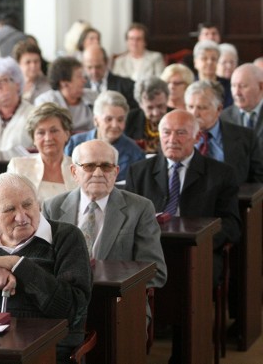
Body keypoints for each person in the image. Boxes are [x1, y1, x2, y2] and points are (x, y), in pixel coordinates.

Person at [0, 173, 92, 364]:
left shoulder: (66, 237)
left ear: (38, 204)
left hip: (46, 350)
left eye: (28, 205)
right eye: (10, 209)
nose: (21, 217)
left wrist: (17, 265)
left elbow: (72, 309)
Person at [126, 110, 240, 288]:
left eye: (181, 133)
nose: (172, 139)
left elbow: (231, 224)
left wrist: (200, 241)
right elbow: (128, 221)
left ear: (197, 137)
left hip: (199, 251)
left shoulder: (222, 174)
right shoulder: (139, 172)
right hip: (149, 252)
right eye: (166, 132)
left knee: (194, 278)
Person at [43, 139, 166, 288]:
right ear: (74, 172)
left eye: (106, 166)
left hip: (119, 300)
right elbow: (43, 266)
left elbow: (155, 271)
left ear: (116, 172)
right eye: (89, 166)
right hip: (66, 302)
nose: (98, 173)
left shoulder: (140, 208)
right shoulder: (52, 207)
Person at [184, 80, 263, 184]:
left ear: (219, 109)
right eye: (190, 107)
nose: (194, 114)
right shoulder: (175, 137)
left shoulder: (246, 137)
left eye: (202, 108)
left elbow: (258, 180)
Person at [66, 91, 145, 182]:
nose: (115, 125)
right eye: (109, 119)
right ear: (96, 120)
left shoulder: (135, 153)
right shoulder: (75, 143)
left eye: (120, 120)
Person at [7, 103, 78, 201]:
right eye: (41, 133)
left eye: (54, 131)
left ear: (66, 134)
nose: (48, 138)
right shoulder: (18, 167)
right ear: (34, 139)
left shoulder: (79, 168)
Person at [35, 56, 97, 133]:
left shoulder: (93, 96)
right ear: (64, 84)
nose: (84, 80)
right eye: (79, 76)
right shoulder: (46, 101)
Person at [221, 63, 263, 148]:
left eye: (243, 86)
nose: (237, 93)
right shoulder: (224, 117)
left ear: (261, 86)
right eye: (233, 86)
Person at [125, 76, 170, 154]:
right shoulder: (130, 119)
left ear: (167, 100)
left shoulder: (178, 117)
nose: (156, 112)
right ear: (140, 104)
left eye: (160, 106)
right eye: (150, 107)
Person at [192, 40, 232, 107]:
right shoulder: (189, 83)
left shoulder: (228, 86)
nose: (210, 62)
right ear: (195, 63)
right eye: (204, 58)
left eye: (213, 59)